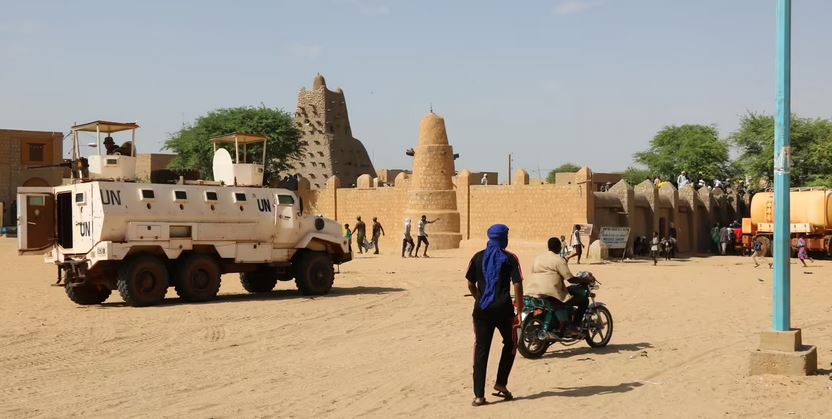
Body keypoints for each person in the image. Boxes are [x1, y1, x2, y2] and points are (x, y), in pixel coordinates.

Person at [466, 224, 523, 406]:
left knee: (481, 351)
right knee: (511, 342)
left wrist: (479, 298)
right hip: (504, 310)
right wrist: (519, 311)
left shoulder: (477, 257)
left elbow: (470, 283)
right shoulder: (510, 258)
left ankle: (479, 396)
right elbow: (518, 285)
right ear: (504, 238)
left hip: (482, 311)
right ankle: (500, 383)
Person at [525, 237, 588, 339]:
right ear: (559, 248)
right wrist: (585, 280)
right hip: (551, 292)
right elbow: (570, 279)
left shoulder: (538, 258)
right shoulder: (559, 260)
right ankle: (574, 326)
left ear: (548, 247)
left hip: (533, 290)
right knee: (583, 301)